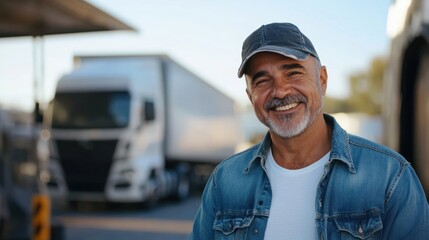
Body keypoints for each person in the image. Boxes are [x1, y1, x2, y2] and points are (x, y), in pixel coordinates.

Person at [188, 22, 429, 239]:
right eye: (262, 81)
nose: (280, 91)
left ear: (322, 80)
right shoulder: (225, 181)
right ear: (251, 96)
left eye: (293, 72)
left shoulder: (390, 176)